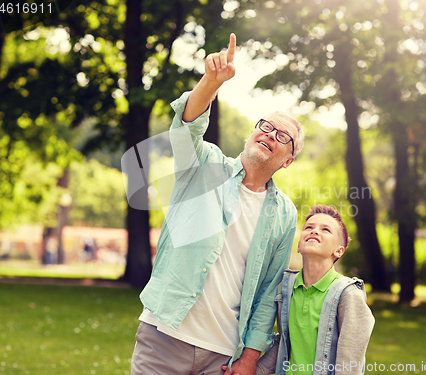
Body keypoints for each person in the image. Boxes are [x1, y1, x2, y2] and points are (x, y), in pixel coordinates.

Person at [130, 32, 305, 375]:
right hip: (164, 337)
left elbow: (269, 289)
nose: (270, 134)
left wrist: (249, 358)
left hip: (223, 353)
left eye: (283, 137)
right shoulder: (205, 165)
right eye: (266, 126)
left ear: (288, 161)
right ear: (249, 134)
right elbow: (187, 126)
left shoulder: (284, 213)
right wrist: (211, 82)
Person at [249, 205, 375, 375]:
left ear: (339, 250)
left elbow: (349, 362)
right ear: (299, 246)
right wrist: (252, 370)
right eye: (309, 227)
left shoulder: (348, 294)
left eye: (325, 230)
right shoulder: (287, 287)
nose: (314, 231)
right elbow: (285, 343)